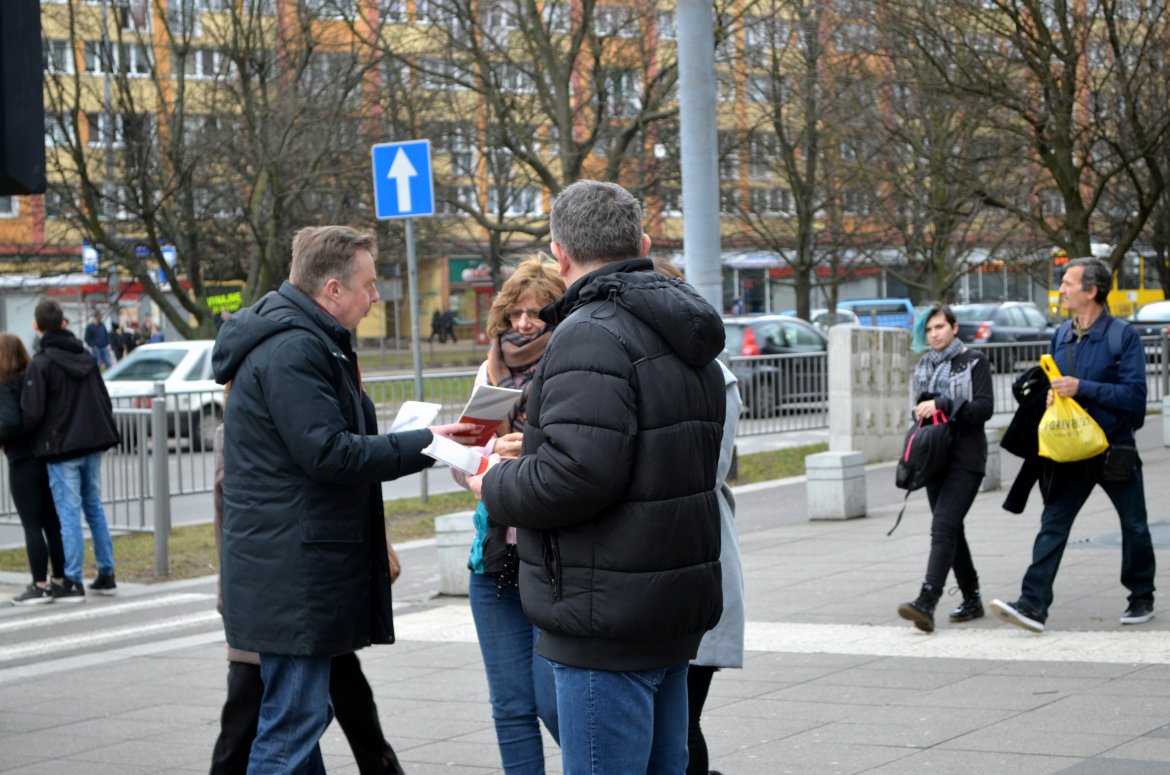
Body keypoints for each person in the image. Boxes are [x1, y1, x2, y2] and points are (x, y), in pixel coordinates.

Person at [468, 180, 726, 774]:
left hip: (604, 613)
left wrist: (495, 484)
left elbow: (576, 475)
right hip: (665, 604)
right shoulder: (681, 327)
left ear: (560, 255)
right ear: (642, 244)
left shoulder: (590, 332)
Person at [211, 225, 476, 774]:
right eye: (369, 284)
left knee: (300, 720)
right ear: (332, 289)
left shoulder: (307, 339)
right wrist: (425, 443)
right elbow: (328, 453)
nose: (376, 296)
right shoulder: (294, 348)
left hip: (294, 566)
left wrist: (415, 440)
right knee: (292, 726)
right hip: (295, 571)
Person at [209, 418, 407, 775]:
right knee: (274, 726)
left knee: (316, 714)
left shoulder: (302, 417)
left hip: (308, 593)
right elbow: (234, 524)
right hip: (280, 599)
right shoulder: (248, 429)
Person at [991, 257, 1155, 632]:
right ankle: (1032, 604)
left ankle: (1141, 595)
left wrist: (1081, 388)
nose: (1061, 289)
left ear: (1091, 291)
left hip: (1113, 448)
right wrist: (1053, 396)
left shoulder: (1122, 336)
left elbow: (1134, 396)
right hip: (1070, 449)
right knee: (1053, 523)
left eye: (1068, 282)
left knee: (1134, 525)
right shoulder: (1062, 334)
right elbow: (1057, 385)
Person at [450, 256, 563, 773]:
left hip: (552, 556)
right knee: (510, 706)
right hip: (494, 557)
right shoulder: (490, 370)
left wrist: (531, 452)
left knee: (553, 700)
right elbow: (465, 468)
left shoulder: (569, 363)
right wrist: (483, 454)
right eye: (515, 313)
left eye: (536, 312)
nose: (524, 323)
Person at [652, 258, 746, 775]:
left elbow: (708, 472)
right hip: (663, 570)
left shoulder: (716, 378)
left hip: (696, 556)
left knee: (682, 723)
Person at [896, 303, 994, 633]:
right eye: (928, 330)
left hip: (966, 458)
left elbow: (984, 409)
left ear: (954, 327)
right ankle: (972, 597)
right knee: (951, 529)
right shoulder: (924, 366)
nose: (934, 334)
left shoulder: (974, 361)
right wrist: (922, 411)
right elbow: (918, 411)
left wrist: (943, 404)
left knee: (943, 526)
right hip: (935, 459)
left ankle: (927, 600)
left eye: (939, 327)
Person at [20, 299, 121, 602]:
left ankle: (72, 578)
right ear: (63, 323)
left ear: (37, 326)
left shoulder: (42, 363)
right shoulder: (85, 356)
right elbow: (102, 398)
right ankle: (106, 572)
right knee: (94, 507)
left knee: (68, 513)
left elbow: (32, 413)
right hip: (91, 442)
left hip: (61, 447)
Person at [0, 333, 66, 605]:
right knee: (52, 522)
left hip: (22, 460)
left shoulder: (5, 385)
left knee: (32, 525)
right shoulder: (32, 378)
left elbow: (9, 422)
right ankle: (59, 579)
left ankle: (39, 584)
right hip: (44, 456)